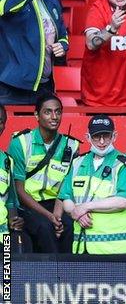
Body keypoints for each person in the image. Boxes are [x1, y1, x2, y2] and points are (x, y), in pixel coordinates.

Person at [58, 115, 126, 255]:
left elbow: (123, 201)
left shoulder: (125, 164)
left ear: (114, 136)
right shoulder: (78, 162)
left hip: (115, 251)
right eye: (96, 137)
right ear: (88, 137)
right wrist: (77, 214)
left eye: (106, 136)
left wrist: (84, 208)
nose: (102, 142)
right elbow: (66, 198)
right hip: (82, 247)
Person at [8, 94, 78, 253]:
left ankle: (69, 275)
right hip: (28, 205)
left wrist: (57, 216)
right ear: (36, 115)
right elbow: (18, 189)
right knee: (45, 228)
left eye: (58, 112)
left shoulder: (71, 145)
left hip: (57, 204)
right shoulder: (20, 142)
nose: (54, 117)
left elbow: (65, 188)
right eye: (48, 112)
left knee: (69, 226)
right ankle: (49, 276)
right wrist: (49, 216)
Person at [0, 0, 68, 105]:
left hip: (44, 87)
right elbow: (2, 7)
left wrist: (62, 45)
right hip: (13, 88)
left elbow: (63, 33)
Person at [0, 104, 25, 240]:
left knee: (8, 262)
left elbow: (10, 201)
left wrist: (14, 221)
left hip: (4, 239)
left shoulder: (7, 161)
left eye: (1, 121)